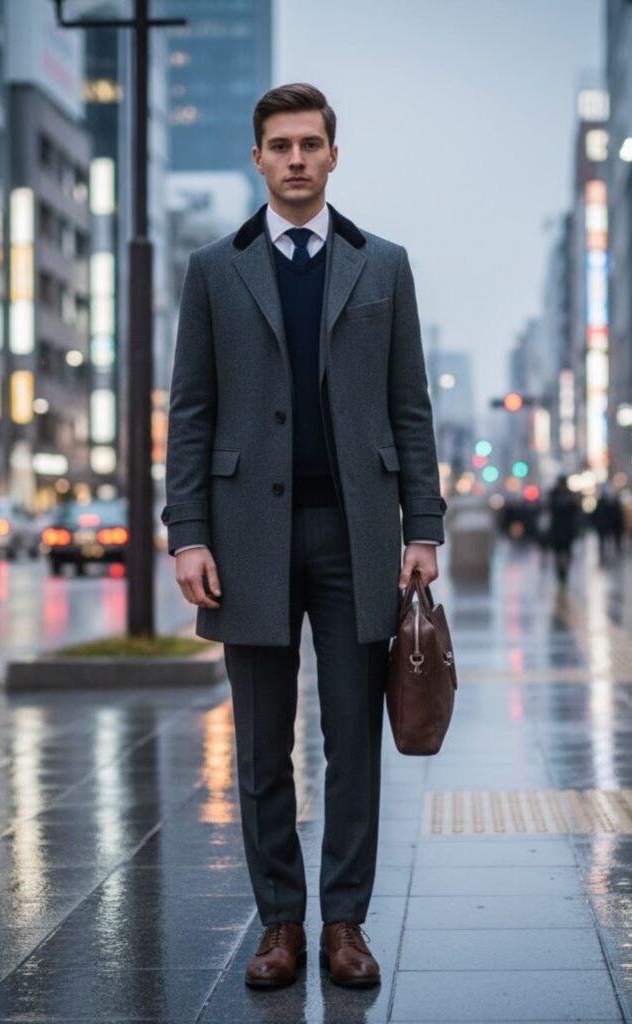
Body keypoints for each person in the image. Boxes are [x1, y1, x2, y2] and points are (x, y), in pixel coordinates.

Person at [161, 83, 447, 990]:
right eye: (278, 145)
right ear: (258, 158)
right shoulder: (215, 267)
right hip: (245, 538)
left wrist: (424, 528)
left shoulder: (383, 265)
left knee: (352, 740)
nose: (293, 159)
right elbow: (191, 412)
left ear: (332, 155)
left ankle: (343, 925)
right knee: (258, 744)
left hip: (357, 533)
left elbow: (410, 408)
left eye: (308, 144)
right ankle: (279, 923)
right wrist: (187, 533)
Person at [547, 474, 580, 584]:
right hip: (556, 531)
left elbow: (575, 511)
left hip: (568, 531)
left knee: (567, 553)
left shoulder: (570, 495)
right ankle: (560, 573)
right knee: (557, 554)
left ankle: (564, 572)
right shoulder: (553, 495)